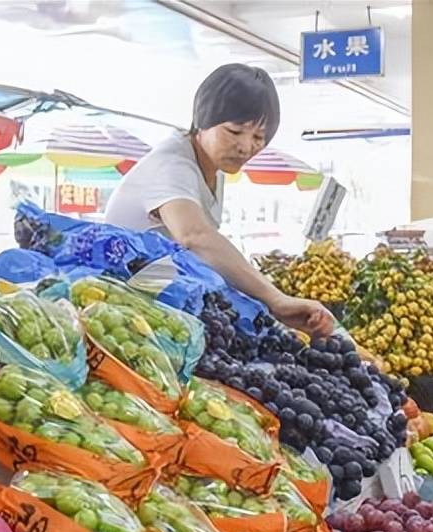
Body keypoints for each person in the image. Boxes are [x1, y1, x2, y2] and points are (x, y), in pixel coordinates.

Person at [104, 64, 333, 337]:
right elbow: (195, 236)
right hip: (118, 316)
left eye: (259, 137)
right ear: (203, 119)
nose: (246, 147)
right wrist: (276, 299)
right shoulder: (173, 165)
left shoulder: (212, 166)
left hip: (155, 308)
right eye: (235, 132)